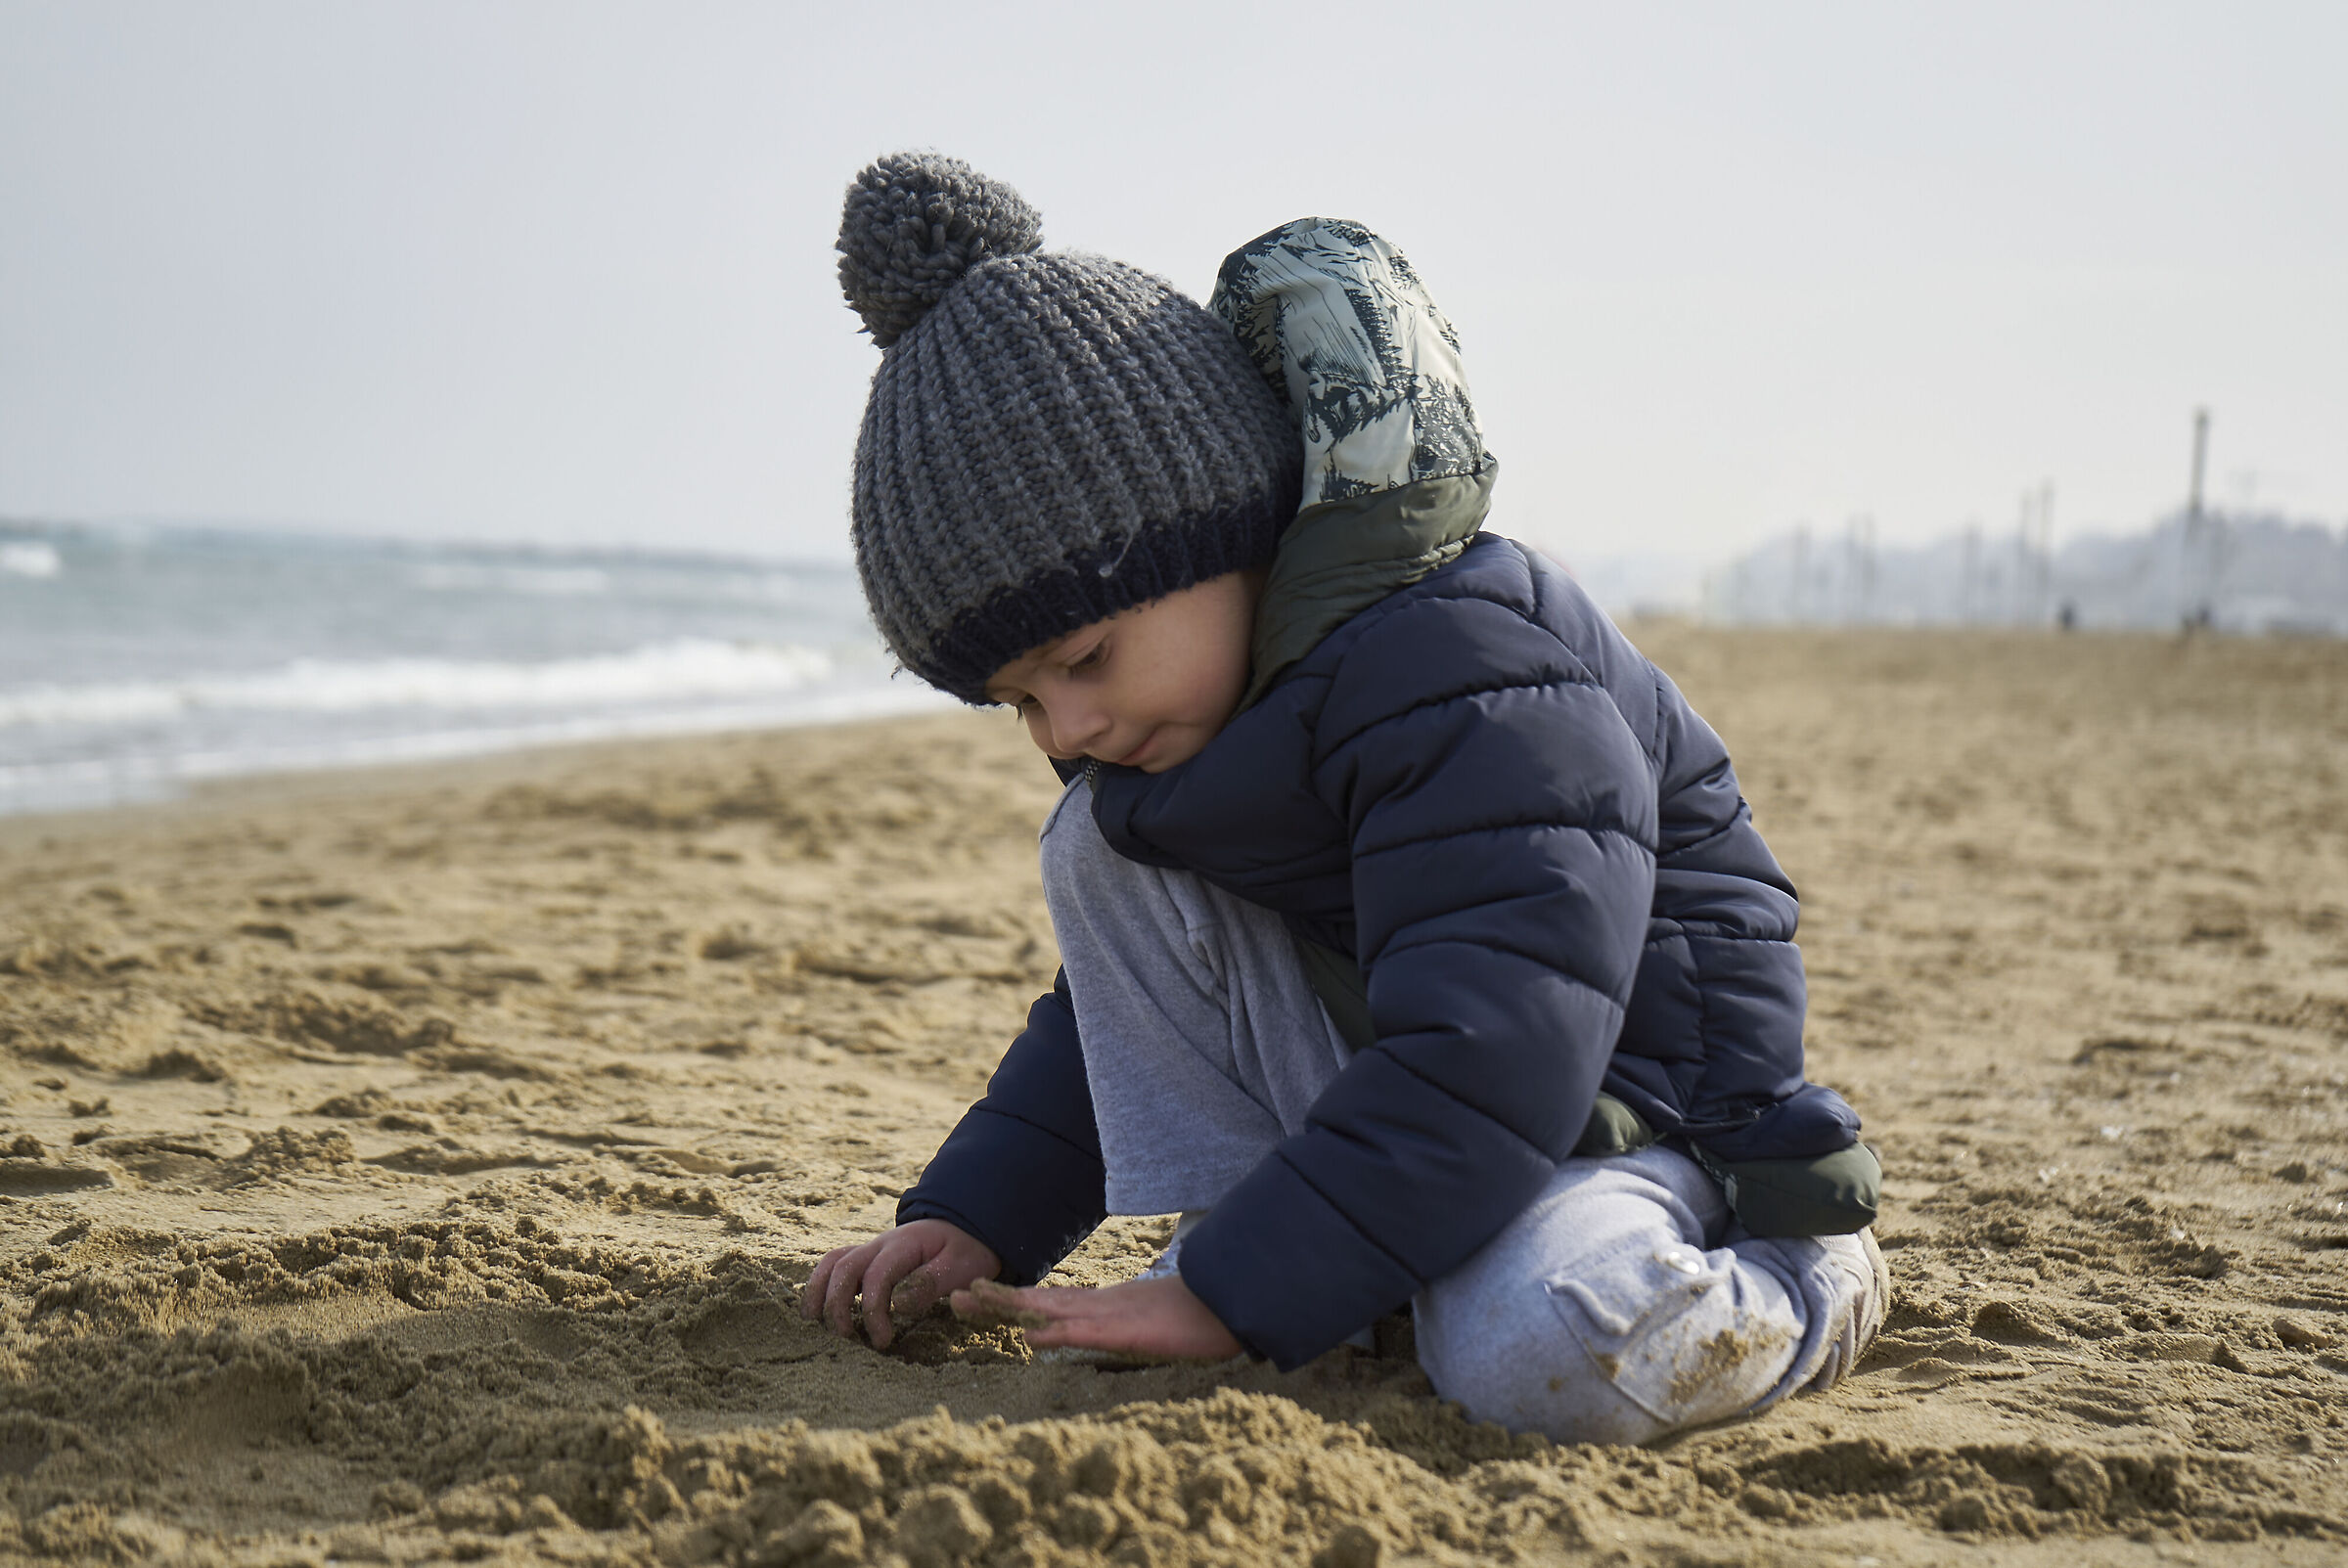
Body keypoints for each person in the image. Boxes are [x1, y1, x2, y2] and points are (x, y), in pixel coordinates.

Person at [800, 153, 1886, 1444]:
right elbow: (1119, 1028)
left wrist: (1235, 1291)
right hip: (1426, 1113)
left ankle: (1817, 1275)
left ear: (1224, 536)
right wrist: (972, 1216)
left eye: (1085, 660)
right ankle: (1323, 1250)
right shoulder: (1188, 741)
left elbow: (1498, 1043)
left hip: (1634, 1116)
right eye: (1022, 700)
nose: (1068, 727)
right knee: (1099, 845)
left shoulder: (1462, 669)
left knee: (1541, 1350)